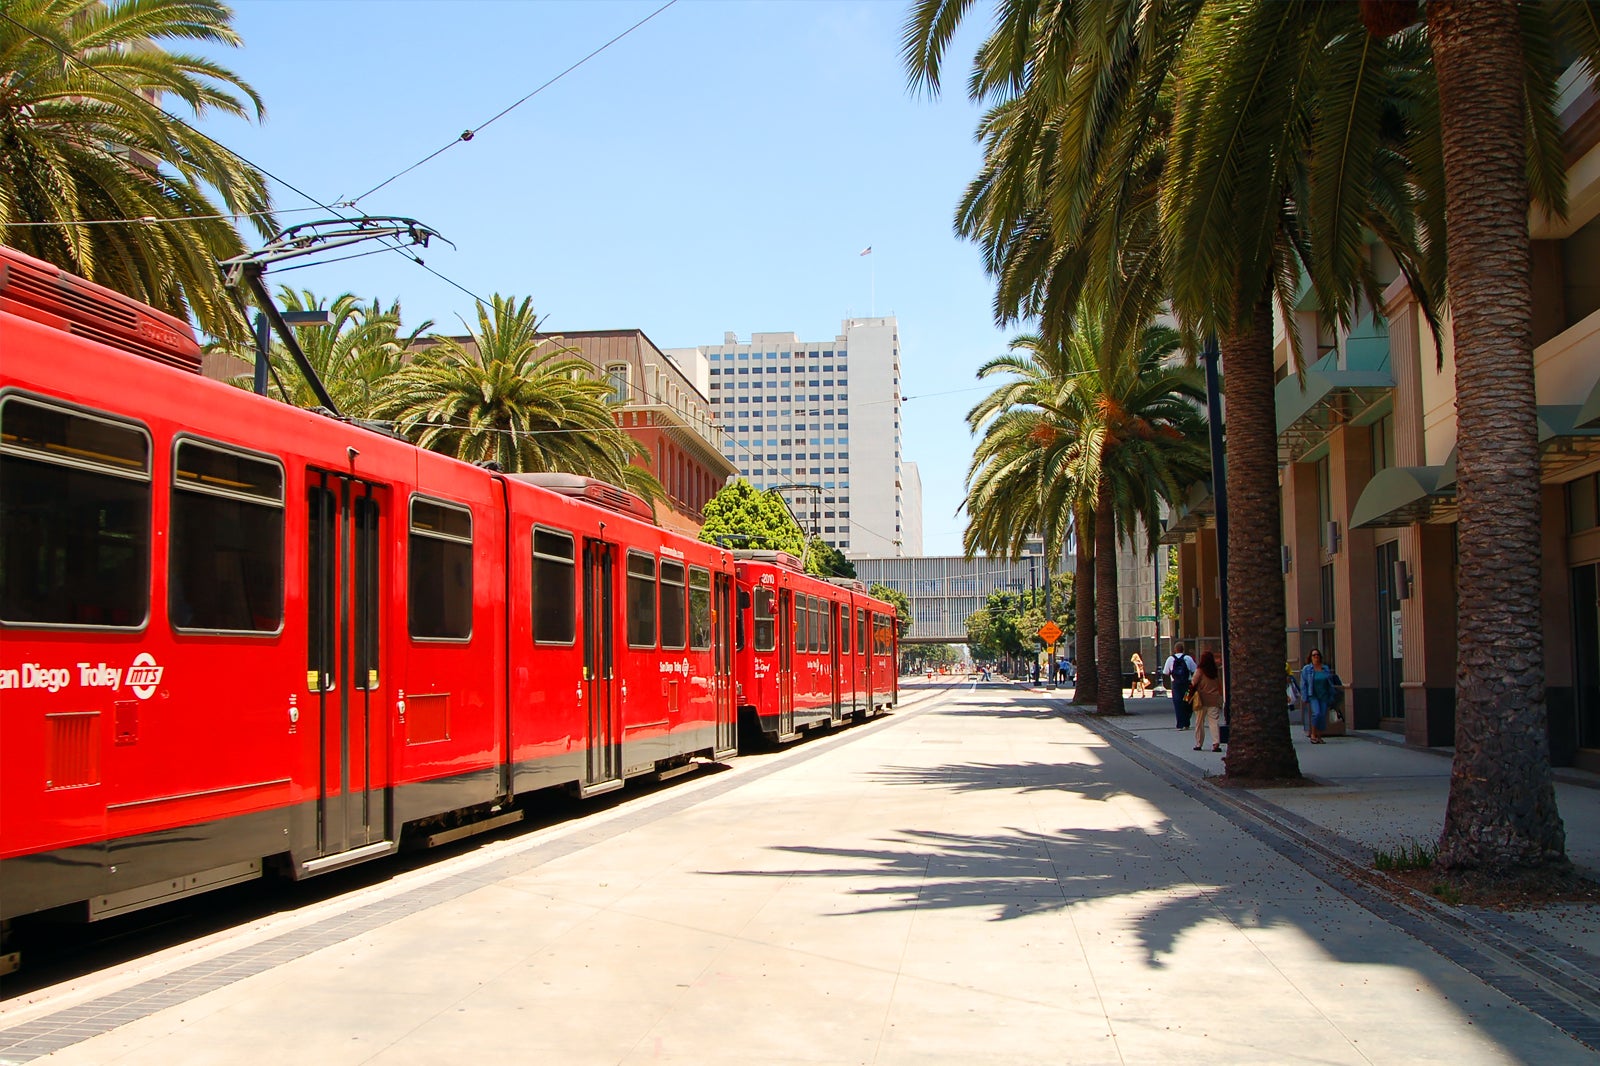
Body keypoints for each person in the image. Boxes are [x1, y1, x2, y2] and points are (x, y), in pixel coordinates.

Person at [1298, 649, 1341, 744]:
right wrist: (1304, 697)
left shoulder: (1325, 668)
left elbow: (1329, 682)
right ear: (1311, 657)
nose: (1316, 656)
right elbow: (1303, 684)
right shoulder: (1307, 669)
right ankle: (1313, 734)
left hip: (1324, 695)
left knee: (1322, 715)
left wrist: (1331, 694)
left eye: (1317, 655)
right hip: (1313, 695)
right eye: (1314, 655)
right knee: (1316, 713)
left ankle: (1319, 736)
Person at [1191, 649, 1225, 752]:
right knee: (1214, 722)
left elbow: (1193, 683)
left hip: (1201, 700)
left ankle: (1198, 743)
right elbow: (1219, 685)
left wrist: (1186, 698)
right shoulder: (1215, 671)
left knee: (1199, 722)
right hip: (1214, 699)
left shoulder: (1200, 670)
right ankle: (1216, 743)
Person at [1162, 642, 1197, 730]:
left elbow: (1165, 672)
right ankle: (1186, 722)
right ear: (1183, 649)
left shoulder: (1170, 659)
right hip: (1187, 684)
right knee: (1188, 702)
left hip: (1176, 684)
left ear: (1175, 650)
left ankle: (1180, 724)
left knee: (1178, 703)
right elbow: (1194, 669)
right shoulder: (1188, 658)